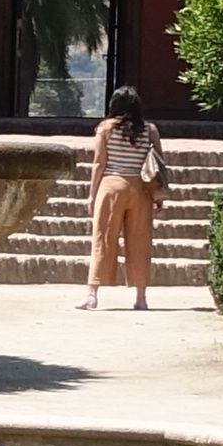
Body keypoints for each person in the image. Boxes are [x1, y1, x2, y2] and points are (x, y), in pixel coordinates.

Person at [79, 86, 169, 310]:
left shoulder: (105, 128)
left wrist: (91, 195)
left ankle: (92, 294)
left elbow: (99, 163)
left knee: (103, 239)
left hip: (111, 186)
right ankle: (141, 297)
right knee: (140, 241)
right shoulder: (150, 130)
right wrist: (158, 194)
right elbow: (158, 164)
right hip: (141, 189)